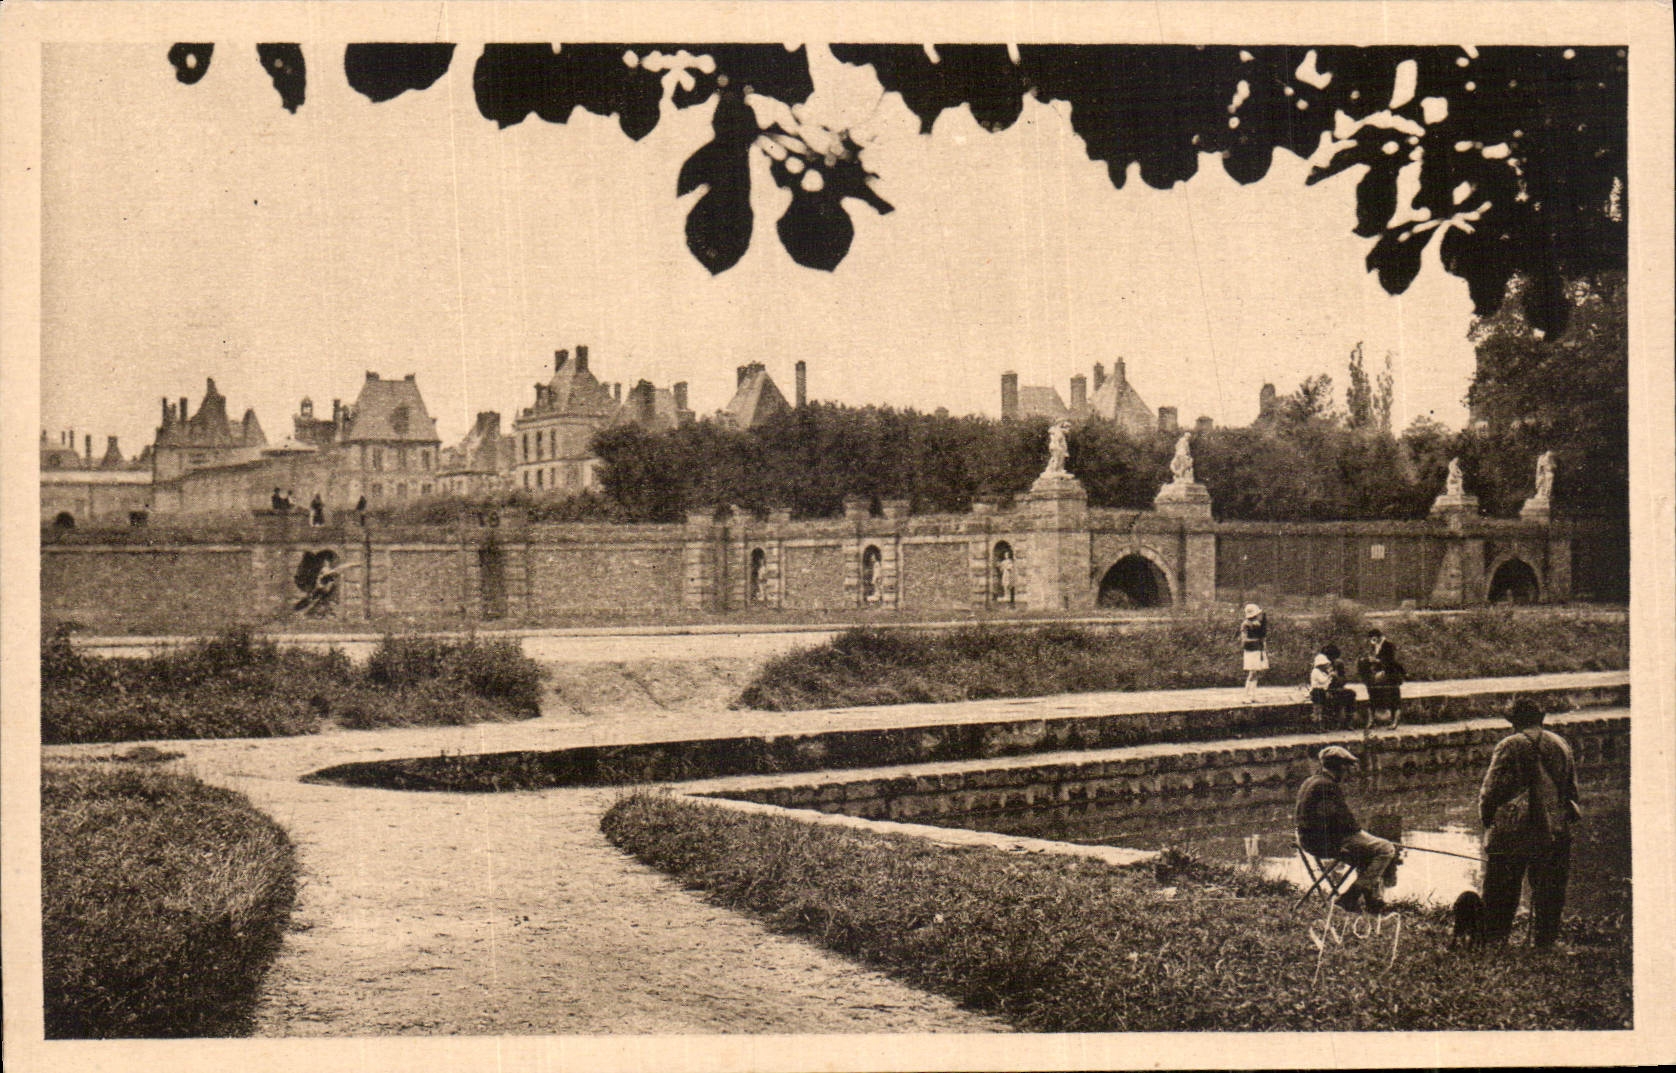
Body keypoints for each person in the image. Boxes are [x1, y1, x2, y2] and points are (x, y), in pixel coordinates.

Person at [1478, 698, 1581, 947]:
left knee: (1502, 887)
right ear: (1541, 718)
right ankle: (1545, 941)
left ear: (1514, 722)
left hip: (1514, 829)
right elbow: (1572, 791)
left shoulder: (1509, 745)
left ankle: (1496, 938)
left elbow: (1490, 791)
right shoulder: (1560, 744)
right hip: (1555, 829)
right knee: (1551, 889)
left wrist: (1488, 821)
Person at [1295, 746, 1398, 913]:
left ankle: (1373, 902)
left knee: (1369, 855)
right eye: (1348, 768)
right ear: (1341, 768)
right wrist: (1361, 834)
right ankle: (1350, 897)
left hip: (1307, 839)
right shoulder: (1326, 786)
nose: (1349, 773)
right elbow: (1342, 822)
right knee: (1386, 849)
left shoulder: (1311, 781)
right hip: (1322, 843)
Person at [1358, 628, 1405, 728]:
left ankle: (1394, 721)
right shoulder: (1375, 646)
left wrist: (1377, 661)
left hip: (1390, 673)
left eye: (1374, 638)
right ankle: (1372, 720)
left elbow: (1391, 661)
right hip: (1379, 674)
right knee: (1374, 694)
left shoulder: (1388, 645)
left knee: (1393, 697)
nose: (1372, 641)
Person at [1309, 644, 1356, 729]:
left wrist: (1336, 677)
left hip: (1336, 688)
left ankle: (1349, 721)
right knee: (1323, 699)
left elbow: (1344, 679)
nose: (1330, 660)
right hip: (1323, 690)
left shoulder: (1338, 664)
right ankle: (1328, 723)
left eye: (1333, 658)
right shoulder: (1319, 665)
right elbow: (1317, 680)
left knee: (1351, 694)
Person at [1239, 603, 1267, 703]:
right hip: (1251, 651)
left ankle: (1253, 695)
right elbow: (1244, 640)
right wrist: (1257, 640)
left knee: (1256, 673)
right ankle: (1245, 696)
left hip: (1257, 650)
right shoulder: (1245, 624)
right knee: (1252, 673)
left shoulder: (1257, 625)